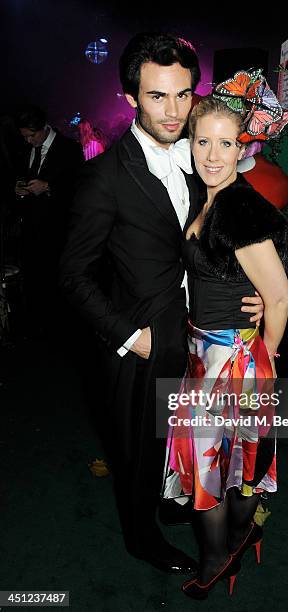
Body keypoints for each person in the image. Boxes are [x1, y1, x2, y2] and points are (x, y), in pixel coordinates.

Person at [59, 33, 264, 574]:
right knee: (137, 449)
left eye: (182, 95)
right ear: (131, 99)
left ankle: (170, 500)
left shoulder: (204, 160)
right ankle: (139, 536)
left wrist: (256, 299)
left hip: (202, 335)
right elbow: (72, 274)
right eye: (157, 96)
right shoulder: (104, 179)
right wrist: (130, 336)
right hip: (143, 343)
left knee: (182, 438)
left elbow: (221, 243)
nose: (174, 111)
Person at [161, 72, 288, 598]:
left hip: (233, 361)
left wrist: (268, 354)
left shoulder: (237, 206)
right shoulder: (210, 196)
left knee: (214, 464)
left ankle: (219, 555)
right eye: (203, 141)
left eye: (226, 143)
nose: (213, 154)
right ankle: (243, 533)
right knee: (230, 461)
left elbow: (279, 295)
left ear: (244, 148)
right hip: (207, 354)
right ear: (190, 142)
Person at [14, 105, 83, 335]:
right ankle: (39, 326)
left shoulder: (69, 149)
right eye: (24, 136)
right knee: (35, 282)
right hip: (31, 230)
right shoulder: (25, 149)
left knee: (57, 284)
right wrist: (18, 189)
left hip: (58, 232)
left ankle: (60, 331)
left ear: (44, 128)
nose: (28, 140)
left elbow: (79, 189)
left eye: (31, 135)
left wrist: (49, 187)